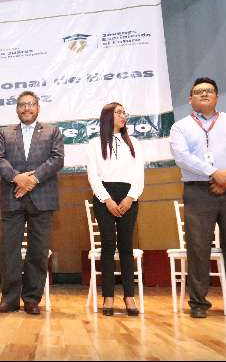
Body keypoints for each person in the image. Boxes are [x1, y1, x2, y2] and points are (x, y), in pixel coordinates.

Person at [169, 78, 226, 320]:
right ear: (190, 100)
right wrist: (214, 173)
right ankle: (199, 302)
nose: (204, 94)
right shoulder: (180, 126)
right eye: (198, 92)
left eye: (209, 91)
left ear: (217, 97)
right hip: (198, 191)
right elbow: (182, 156)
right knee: (198, 248)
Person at [0, 91, 64, 315]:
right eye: (22, 105)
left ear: (38, 108)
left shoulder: (53, 131)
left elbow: (57, 159)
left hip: (42, 198)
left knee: (38, 252)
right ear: (17, 109)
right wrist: (17, 178)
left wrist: (32, 179)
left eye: (31, 104)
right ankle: (9, 299)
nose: (26, 108)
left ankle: (32, 299)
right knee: (9, 251)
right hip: (12, 198)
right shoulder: (5, 133)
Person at [86, 102, 144, 316]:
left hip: (129, 195)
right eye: (118, 112)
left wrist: (131, 197)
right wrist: (107, 200)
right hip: (105, 198)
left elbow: (139, 175)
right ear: (107, 117)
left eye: (124, 113)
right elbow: (94, 177)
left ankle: (129, 295)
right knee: (108, 246)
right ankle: (108, 296)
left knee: (126, 246)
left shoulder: (135, 142)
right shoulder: (94, 144)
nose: (123, 116)